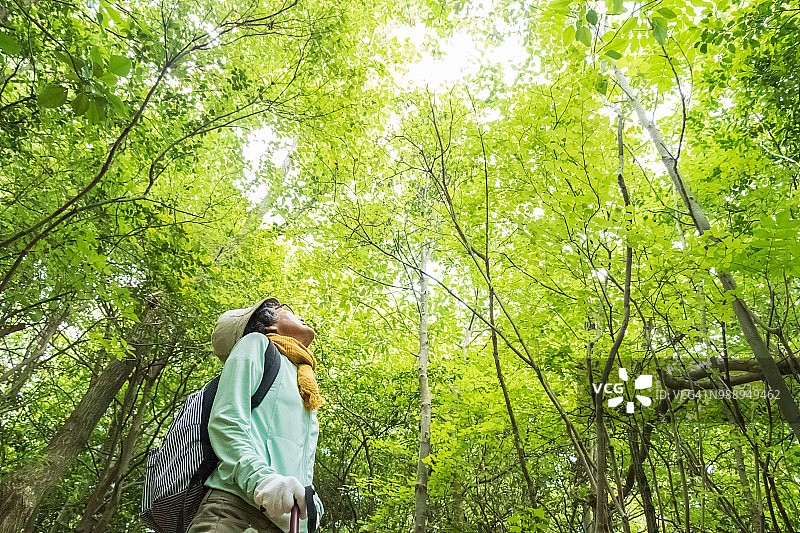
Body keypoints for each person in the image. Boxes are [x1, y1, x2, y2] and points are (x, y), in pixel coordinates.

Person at [187, 297, 324, 533]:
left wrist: (311, 509)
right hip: (234, 511)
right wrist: (262, 480)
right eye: (287, 310)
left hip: (283, 524)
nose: (300, 315)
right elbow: (226, 421)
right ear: (269, 325)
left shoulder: (304, 383)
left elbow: (302, 464)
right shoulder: (255, 345)